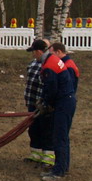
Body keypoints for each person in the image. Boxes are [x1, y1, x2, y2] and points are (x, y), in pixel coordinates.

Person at [40, 41, 78, 181]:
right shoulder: (54, 61)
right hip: (66, 101)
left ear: (39, 52)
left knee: (59, 137)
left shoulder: (50, 66)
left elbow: (51, 87)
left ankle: (58, 173)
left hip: (63, 103)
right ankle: (62, 167)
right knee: (62, 137)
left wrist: (46, 103)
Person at [23, 38, 55, 166]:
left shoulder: (48, 65)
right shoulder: (33, 63)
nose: (33, 54)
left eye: (34, 52)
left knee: (46, 130)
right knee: (33, 130)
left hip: (43, 105)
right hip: (32, 103)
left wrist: (45, 103)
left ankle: (47, 158)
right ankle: (35, 154)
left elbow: (48, 86)